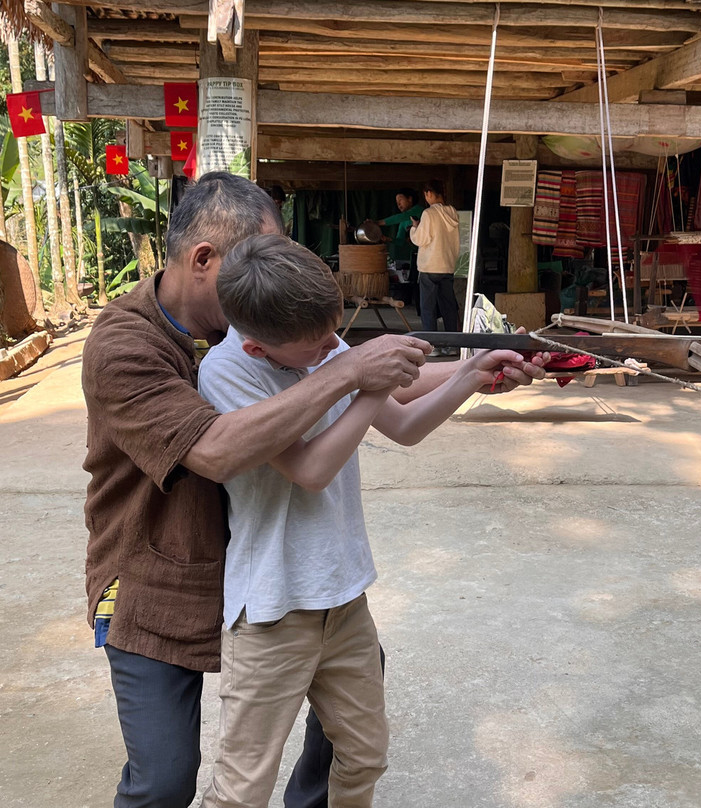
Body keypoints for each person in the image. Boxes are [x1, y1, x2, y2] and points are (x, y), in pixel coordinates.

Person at [80, 171, 547, 808]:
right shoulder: (130, 345)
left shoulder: (271, 318)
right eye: (255, 257)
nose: (268, 269)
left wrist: (471, 370)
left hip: (316, 583)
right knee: (167, 779)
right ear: (205, 261)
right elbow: (222, 449)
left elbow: (365, 384)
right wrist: (354, 371)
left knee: (354, 743)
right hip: (158, 574)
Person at [195, 234, 536, 808]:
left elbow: (403, 425)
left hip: (343, 596)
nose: (334, 346)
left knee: (364, 756)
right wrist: (364, 381)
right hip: (273, 608)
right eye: (319, 344)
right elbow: (310, 469)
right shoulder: (228, 372)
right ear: (258, 348)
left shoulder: (319, 347)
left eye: (336, 334)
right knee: (241, 787)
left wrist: (472, 374)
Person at [410, 179, 461, 343]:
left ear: (429, 194)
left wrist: (415, 227)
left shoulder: (429, 213)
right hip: (447, 266)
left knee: (428, 308)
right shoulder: (452, 212)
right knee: (449, 307)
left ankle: (432, 345)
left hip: (430, 266)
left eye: (426, 195)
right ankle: (454, 344)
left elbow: (420, 239)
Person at [373, 187, 424, 268]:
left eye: (400, 200)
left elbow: (400, 217)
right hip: (417, 255)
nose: (398, 204)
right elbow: (400, 241)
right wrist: (387, 239)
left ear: (410, 199)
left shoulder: (419, 210)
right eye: (397, 202)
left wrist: (376, 223)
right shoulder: (403, 221)